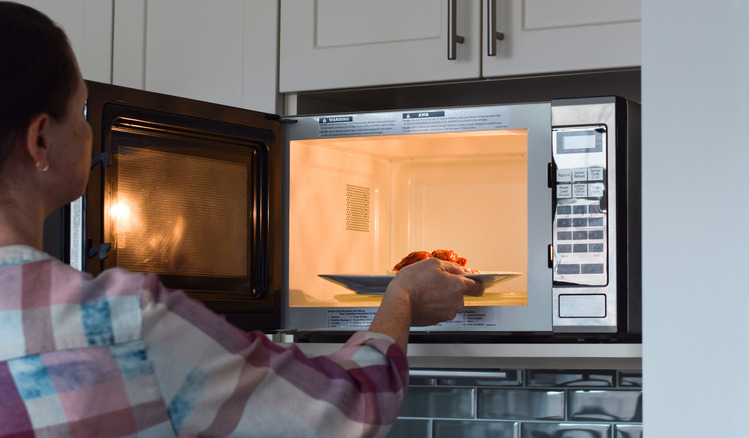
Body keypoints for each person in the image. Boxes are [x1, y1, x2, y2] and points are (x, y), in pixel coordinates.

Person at [0, 2, 484, 437]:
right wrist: (400, 298)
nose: (89, 132)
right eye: (81, 113)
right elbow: (344, 410)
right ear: (40, 139)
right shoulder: (122, 322)